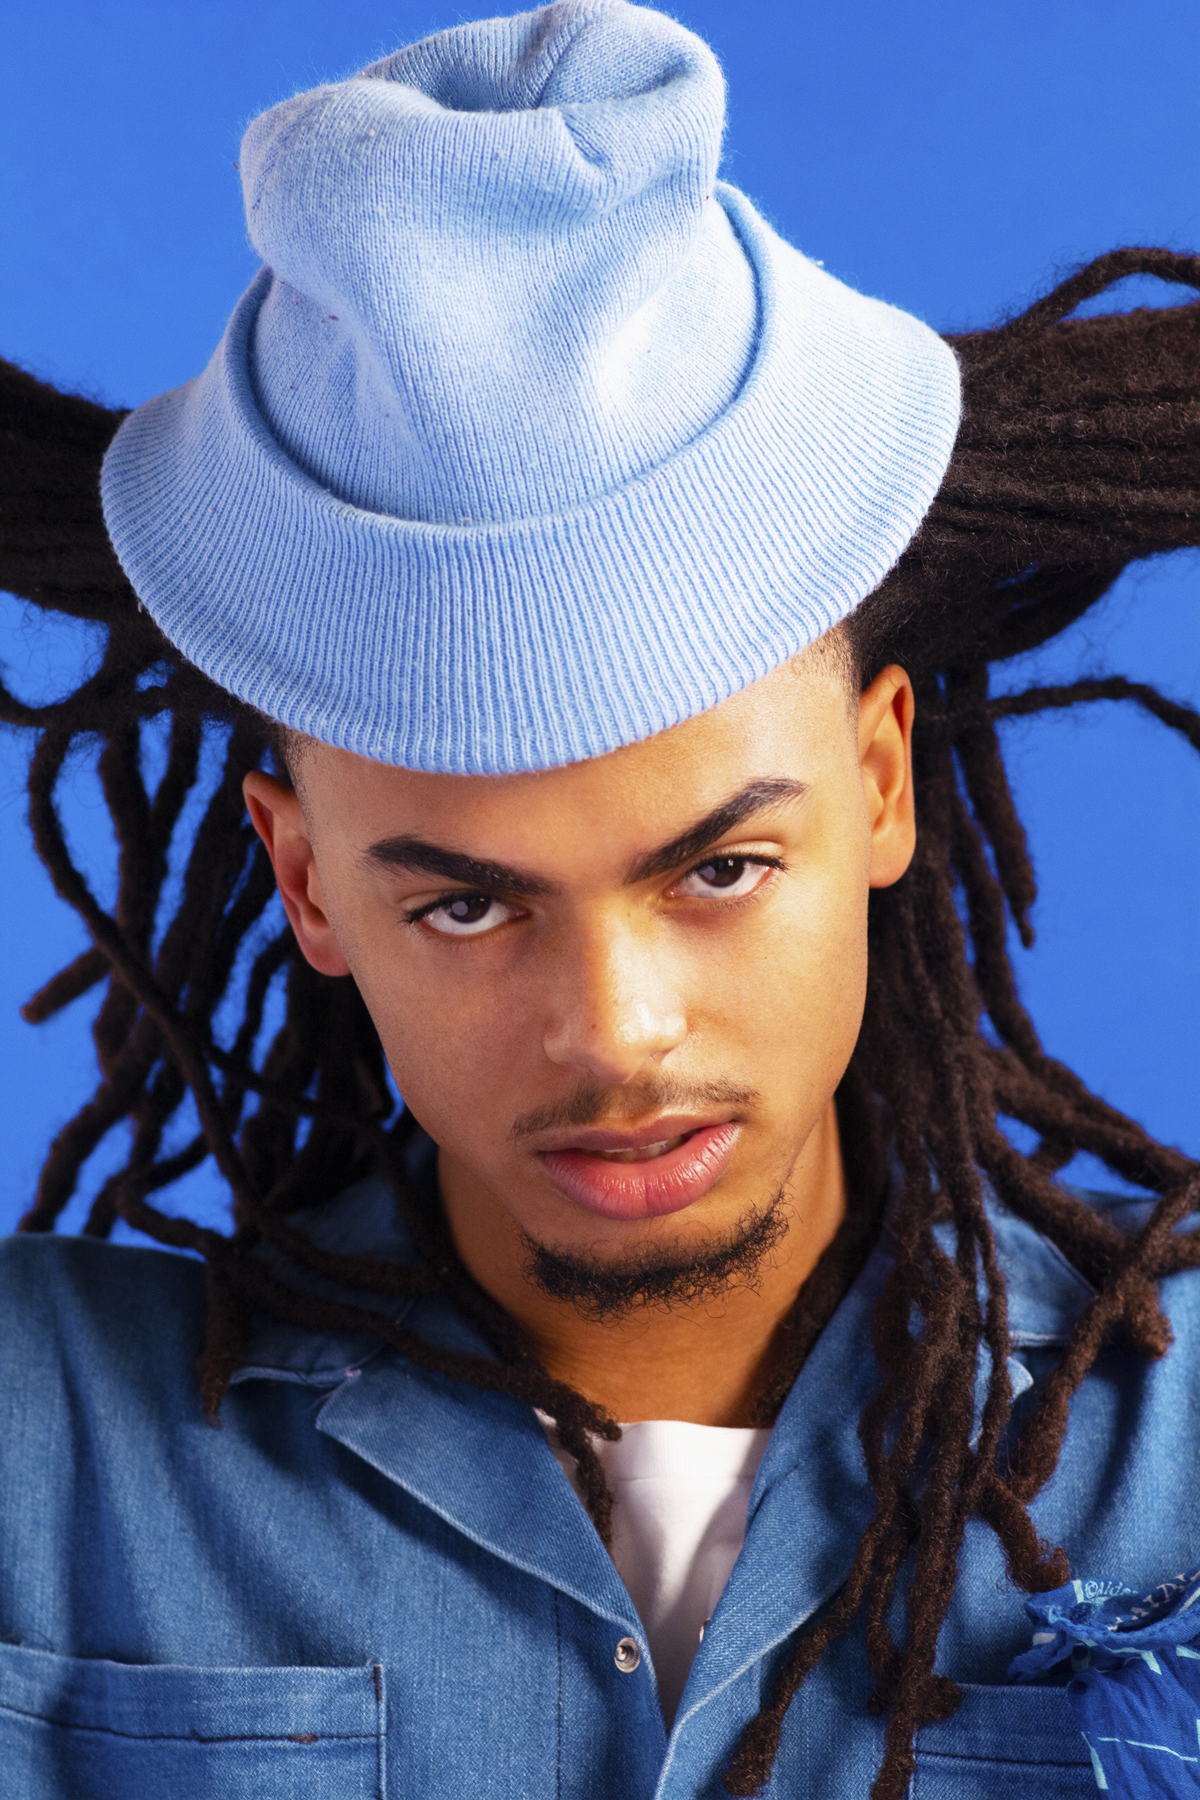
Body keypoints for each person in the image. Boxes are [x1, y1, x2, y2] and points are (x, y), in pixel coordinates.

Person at [2, 3, 1199, 1796]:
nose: (616, 1035)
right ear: (304, 879)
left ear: (878, 784)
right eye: (468, 910)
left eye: (719, 868)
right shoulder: (41, 1458)